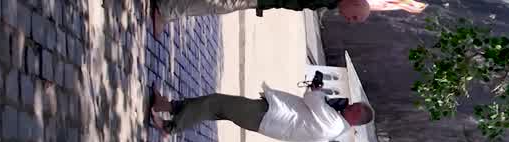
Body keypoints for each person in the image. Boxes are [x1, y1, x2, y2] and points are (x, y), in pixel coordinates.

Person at [148, 72, 373, 142]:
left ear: (355, 115)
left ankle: (170, 128)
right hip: (269, 114)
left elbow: (313, 100)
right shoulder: (336, 126)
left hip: (268, 117)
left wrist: (317, 89)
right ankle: (167, 106)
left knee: (215, 103)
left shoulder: (334, 123)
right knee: (215, 108)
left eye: (352, 106)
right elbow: (313, 102)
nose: (347, 105)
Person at [150, 0, 370, 36]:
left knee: (220, 5)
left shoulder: (330, 4)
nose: (349, 20)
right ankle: (166, 10)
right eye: (354, 17)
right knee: (220, 4)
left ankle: (169, 10)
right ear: (355, 3)